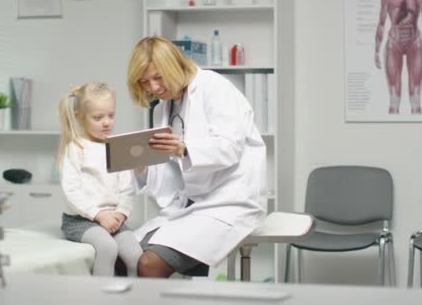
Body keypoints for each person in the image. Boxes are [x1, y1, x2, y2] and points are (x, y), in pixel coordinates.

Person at [126, 36, 266, 278]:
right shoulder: (163, 107)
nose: (154, 88)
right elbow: (171, 175)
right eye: (145, 82)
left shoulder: (213, 86)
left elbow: (230, 147)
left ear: (174, 65)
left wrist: (185, 149)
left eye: (158, 77)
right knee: (126, 257)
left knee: (150, 264)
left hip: (228, 204)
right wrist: (143, 168)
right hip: (188, 207)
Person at [57, 82, 142, 277]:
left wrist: (121, 213)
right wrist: (98, 215)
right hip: (81, 220)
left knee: (135, 254)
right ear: (80, 117)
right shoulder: (76, 147)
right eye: (98, 117)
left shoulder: (117, 146)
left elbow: (126, 189)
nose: (107, 122)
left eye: (111, 115)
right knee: (107, 248)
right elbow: (72, 191)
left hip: (114, 219)